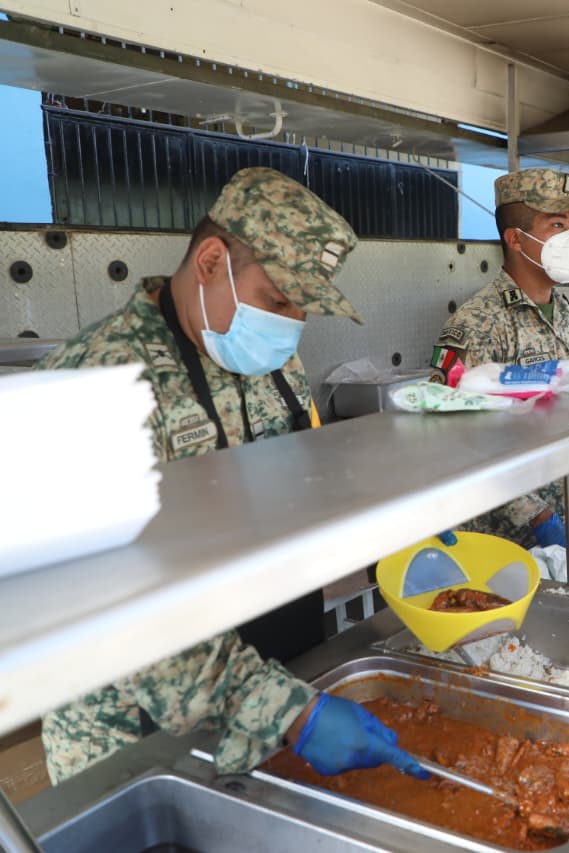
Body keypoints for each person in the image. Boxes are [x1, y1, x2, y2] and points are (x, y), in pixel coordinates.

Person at [38, 167, 431, 785]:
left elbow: (310, 479)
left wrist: (395, 534)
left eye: (303, 305)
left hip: (279, 672)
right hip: (139, 735)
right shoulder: (94, 383)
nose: (291, 321)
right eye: (278, 299)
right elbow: (114, 608)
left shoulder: (273, 360)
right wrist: (288, 715)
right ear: (211, 261)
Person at [428, 167, 569, 562]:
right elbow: (455, 439)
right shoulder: (476, 324)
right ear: (515, 239)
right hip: (503, 545)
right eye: (558, 224)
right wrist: (537, 515)